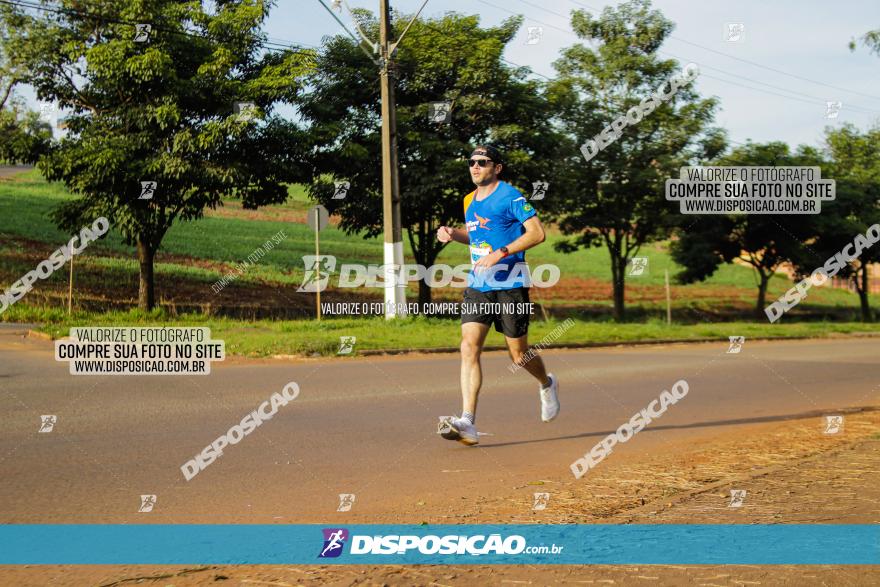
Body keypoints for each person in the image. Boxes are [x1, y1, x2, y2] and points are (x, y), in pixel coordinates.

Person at [435, 145, 559, 446]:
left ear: (497, 168)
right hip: (479, 284)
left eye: (483, 162)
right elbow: (476, 236)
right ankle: (467, 422)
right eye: (472, 162)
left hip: (511, 284)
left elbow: (536, 233)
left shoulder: (511, 196)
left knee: (518, 355)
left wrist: (502, 252)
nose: (475, 167)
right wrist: (454, 234)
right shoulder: (468, 200)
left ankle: (546, 382)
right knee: (469, 346)